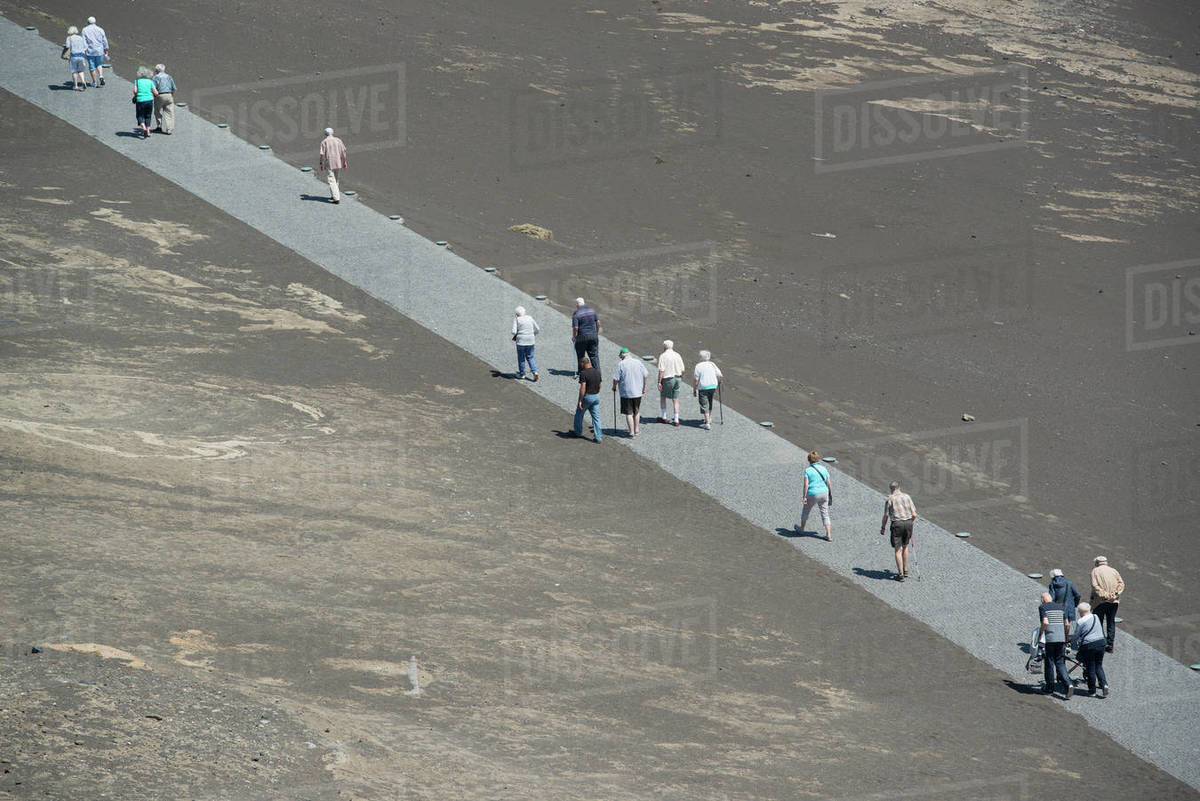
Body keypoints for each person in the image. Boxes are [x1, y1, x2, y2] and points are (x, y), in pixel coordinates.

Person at [880, 481, 916, 581]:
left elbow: (886, 515)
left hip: (897, 524)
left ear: (891, 489)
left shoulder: (890, 499)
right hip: (908, 522)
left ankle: (900, 574)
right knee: (905, 547)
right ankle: (906, 570)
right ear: (899, 488)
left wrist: (883, 527)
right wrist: (911, 523)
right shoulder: (907, 497)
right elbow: (914, 514)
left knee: (898, 549)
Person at [1072, 602, 1109, 698]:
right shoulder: (1095, 617)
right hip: (1101, 643)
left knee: (1091, 668)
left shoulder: (1081, 621)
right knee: (1099, 665)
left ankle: (1092, 691)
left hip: (1089, 645)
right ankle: (1104, 684)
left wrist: (1070, 640)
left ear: (1080, 612)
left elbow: (1076, 635)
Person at [1038, 592, 1072, 697]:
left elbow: (1045, 622)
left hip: (1050, 639)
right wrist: (1065, 637)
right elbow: (1067, 624)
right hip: (1061, 638)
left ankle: (1050, 687)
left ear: (1043, 600)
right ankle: (1068, 684)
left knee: (1049, 662)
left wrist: (1040, 633)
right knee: (1060, 662)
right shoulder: (1061, 608)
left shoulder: (1043, 607)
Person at [1089, 556, 1124, 653]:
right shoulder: (1114, 571)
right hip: (1114, 602)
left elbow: (1095, 586)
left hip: (1100, 601)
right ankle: (1110, 644)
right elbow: (1121, 584)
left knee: (1098, 622)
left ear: (1097, 563)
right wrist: (1115, 594)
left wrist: (1106, 595)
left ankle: (1100, 642)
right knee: (1111, 622)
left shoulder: (1095, 571)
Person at [612, 348, 648, 437]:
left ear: (623, 355)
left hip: (626, 392)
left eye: (620, 356)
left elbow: (616, 378)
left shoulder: (621, 364)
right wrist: (644, 387)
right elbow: (645, 374)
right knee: (637, 411)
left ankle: (631, 431)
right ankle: (636, 430)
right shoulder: (638, 362)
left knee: (628, 413)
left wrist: (614, 387)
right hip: (637, 392)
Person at [798, 451, 832, 542]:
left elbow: (806, 485)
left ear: (809, 460)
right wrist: (830, 494)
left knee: (806, 510)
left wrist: (804, 497)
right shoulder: (824, 469)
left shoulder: (808, 470)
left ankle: (802, 529)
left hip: (812, 493)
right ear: (818, 459)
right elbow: (829, 483)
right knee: (825, 513)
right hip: (824, 492)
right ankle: (828, 534)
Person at [572, 355, 603, 443]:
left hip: (587, 397)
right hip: (596, 396)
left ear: (583, 363)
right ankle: (598, 437)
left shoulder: (584, 373)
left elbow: (583, 388)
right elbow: (600, 385)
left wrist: (580, 401)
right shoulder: (597, 372)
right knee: (596, 418)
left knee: (579, 414)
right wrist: (596, 392)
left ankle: (578, 432)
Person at [656, 340, 685, 426]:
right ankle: (676, 419)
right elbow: (683, 370)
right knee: (675, 399)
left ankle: (664, 417)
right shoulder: (677, 355)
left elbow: (662, 370)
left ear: (664, 347)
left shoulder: (663, 356)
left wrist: (659, 381)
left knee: (663, 397)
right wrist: (680, 377)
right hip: (678, 378)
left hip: (668, 379)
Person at [692, 350, 722, 430]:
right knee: (710, 401)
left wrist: (694, 389)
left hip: (703, 387)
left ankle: (707, 423)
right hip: (713, 386)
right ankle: (709, 418)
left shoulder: (698, 366)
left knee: (704, 404)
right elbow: (720, 375)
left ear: (701, 357)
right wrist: (719, 381)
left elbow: (696, 380)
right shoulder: (712, 364)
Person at [318, 127, 348, 204]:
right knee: (336, 179)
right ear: (333, 132)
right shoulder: (338, 140)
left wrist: (321, 163)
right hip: (338, 162)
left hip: (329, 163)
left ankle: (336, 198)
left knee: (331, 180)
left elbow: (322, 154)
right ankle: (334, 194)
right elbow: (343, 151)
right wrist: (344, 161)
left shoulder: (324, 142)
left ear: (325, 134)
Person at [510, 306, 540, 381]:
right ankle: (535, 372)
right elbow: (537, 329)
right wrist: (533, 334)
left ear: (516, 314)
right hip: (531, 340)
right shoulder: (530, 318)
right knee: (530, 357)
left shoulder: (517, 319)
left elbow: (513, 331)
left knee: (521, 358)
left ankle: (522, 374)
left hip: (521, 342)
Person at [571, 298, 600, 371]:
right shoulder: (592, 310)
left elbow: (576, 328)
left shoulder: (576, 314)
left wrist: (574, 337)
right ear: (584, 303)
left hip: (582, 337)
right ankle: (597, 374)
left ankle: (582, 373)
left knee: (581, 355)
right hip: (593, 335)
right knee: (594, 356)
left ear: (577, 304)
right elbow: (598, 322)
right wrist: (596, 332)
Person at [81, 16, 108, 87]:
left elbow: (84, 41)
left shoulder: (85, 30)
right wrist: (106, 48)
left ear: (87, 22)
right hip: (100, 50)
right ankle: (101, 76)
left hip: (90, 51)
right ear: (95, 22)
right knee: (99, 64)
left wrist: (84, 50)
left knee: (92, 67)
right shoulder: (100, 29)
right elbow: (104, 40)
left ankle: (94, 82)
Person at [131, 66, 158, 138]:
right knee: (148, 116)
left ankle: (144, 128)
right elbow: (156, 92)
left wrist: (136, 96)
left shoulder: (137, 81)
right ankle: (148, 132)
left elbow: (135, 91)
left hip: (140, 100)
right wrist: (154, 96)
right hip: (149, 100)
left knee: (140, 115)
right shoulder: (150, 82)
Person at [152, 65, 177, 134]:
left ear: (157, 70)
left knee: (157, 111)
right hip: (169, 95)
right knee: (169, 112)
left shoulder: (155, 77)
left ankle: (159, 126)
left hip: (160, 95)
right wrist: (172, 95)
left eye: (155, 70)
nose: (155, 71)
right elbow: (174, 88)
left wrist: (155, 95)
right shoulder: (169, 77)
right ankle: (169, 129)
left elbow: (153, 88)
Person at [63, 27, 89, 91]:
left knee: (74, 71)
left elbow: (67, 46)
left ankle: (76, 86)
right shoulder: (81, 38)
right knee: (81, 70)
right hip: (81, 56)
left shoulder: (69, 38)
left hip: (73, 56)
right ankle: (83, 81)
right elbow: (85, 47)